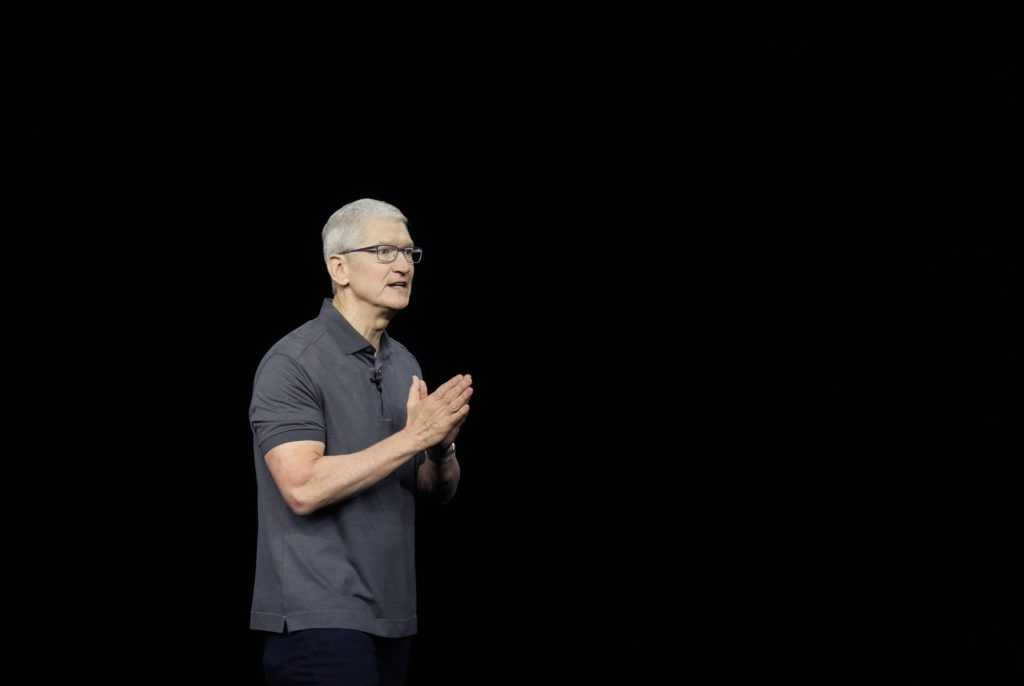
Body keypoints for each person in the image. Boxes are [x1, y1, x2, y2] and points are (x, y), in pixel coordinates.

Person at [248, 197, 472, 686]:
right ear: (339, 267)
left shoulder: (406, 364)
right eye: (385, 251)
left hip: (393, 618)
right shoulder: (293, 362)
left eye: (409, 254)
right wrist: (416, 435)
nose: (403, 266)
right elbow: (302, 487)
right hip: (316, 619)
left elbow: (436, 490)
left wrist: (440, 448)